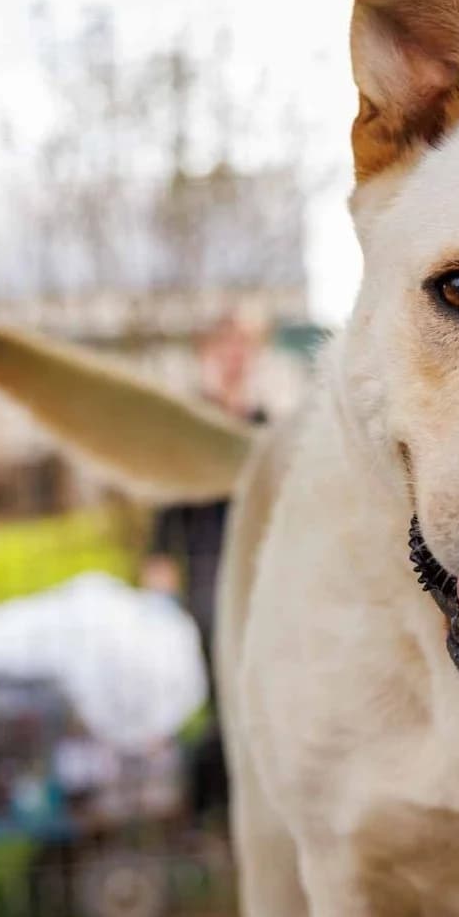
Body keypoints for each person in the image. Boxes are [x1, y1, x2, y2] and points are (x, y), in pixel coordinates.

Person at [141, 312, 268, 819]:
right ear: (205, 353)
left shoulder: (264, 427)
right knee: (223, 698)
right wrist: (158, 571)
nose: (234, 356)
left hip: (262, 576)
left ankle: (253, 801)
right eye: (224, 346)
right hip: (207, 576)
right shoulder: (190, 424)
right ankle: (213, 804)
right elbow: (167, 508)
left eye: (243, 345)